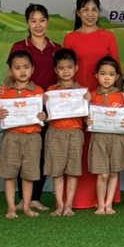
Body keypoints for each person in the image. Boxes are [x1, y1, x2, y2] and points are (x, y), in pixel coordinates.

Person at [64, 0, 120, 210]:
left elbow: (116, 69)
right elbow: (66, 69)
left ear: (99, 12)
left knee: (102, 144)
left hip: (103, 100)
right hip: (78, 100)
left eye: (94, 9)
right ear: (78, 13)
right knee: (80, 146)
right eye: (85, 9)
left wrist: (115, 100)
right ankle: (78, 198)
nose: (90, 14)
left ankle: (105, 199)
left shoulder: (108, 36)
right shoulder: (70, 38)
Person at [8, 3, 60, 212]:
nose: (38, 25)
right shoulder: (19, 47)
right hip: (24, 107)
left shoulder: (57, 48)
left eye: (42, 20)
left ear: (48, 22)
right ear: (27, 23)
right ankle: (23, 199)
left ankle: (36, 197)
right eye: (33, 21)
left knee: (42, 152)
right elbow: (11, 75)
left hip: (48, 108)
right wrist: (5, 87)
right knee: (23, 153)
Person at [0, 50, 46, 219]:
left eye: (26, 67)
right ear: (11, 71)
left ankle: (26, 206)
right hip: (11, 136)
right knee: (9, 174)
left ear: (33, 69)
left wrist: (43, 115)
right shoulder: (4, 91)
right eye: (17, 68)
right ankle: (11, 207)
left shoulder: (39, 91)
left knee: (29, 174)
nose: (22, 71)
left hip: (33, 137)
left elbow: (44, 114)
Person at [44, 48, 89, 217]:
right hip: (55, 132)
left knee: (73, 170)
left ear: (76, 68)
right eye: (61, 68)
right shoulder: (50, 91)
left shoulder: (82, 92)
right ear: (56, 70)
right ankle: (59, 204)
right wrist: (44, 103)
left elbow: (87, 116)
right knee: (57, 171)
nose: (66, 71)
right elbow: (44, 114)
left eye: (69, 67)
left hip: (75, 133)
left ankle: (69, 204)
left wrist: (88, 103)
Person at [87, 56, 124, 216]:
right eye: (103, 74)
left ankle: (109, 204)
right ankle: (100, 205)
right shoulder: (91, 96)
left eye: (111, 74)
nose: (107, 78)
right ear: (96, 75)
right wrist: (87, 119)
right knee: (103, 174)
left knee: (114, 173)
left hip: (117, 139)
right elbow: (84, 114)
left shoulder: (122, 96)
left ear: (117, 77)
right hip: (99, 139)